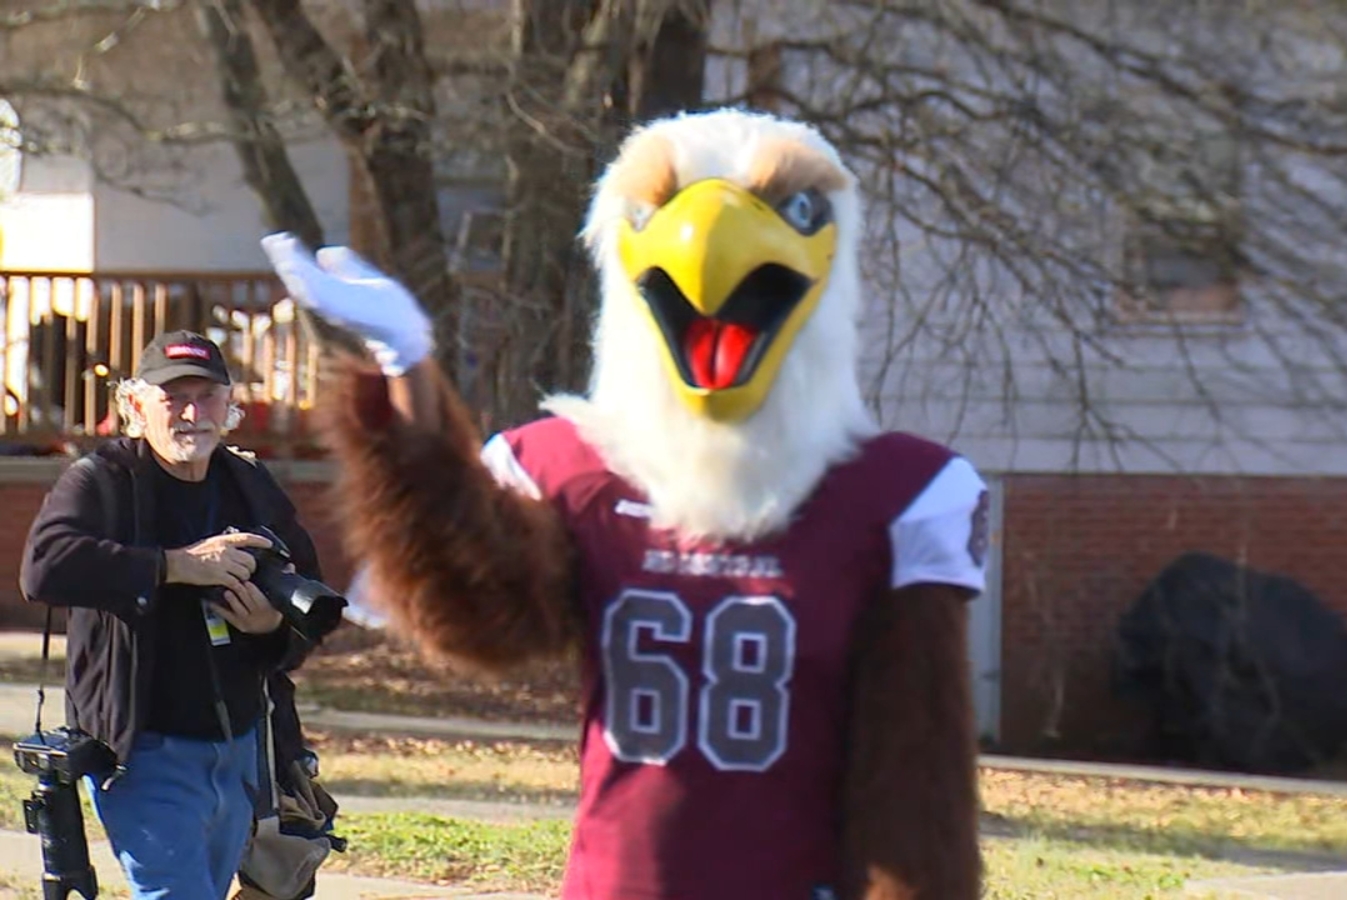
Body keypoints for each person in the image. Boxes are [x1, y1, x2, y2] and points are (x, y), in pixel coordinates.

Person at [262, 106, 987, 900]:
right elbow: (472, 614)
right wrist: (406, 364)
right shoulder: (581, 469)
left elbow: (918, 792)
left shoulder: (894, 496)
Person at [19, 329, 328, 900]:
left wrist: (269, 628)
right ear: (137, 406)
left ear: (229, 402)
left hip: (239, 742)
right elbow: (44, 568)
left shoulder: (249, 484)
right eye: (172, 397)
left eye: (207, 396)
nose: (192, 413)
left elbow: (313, 601)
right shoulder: (104, 481)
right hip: (143, 749)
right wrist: (174, 566)